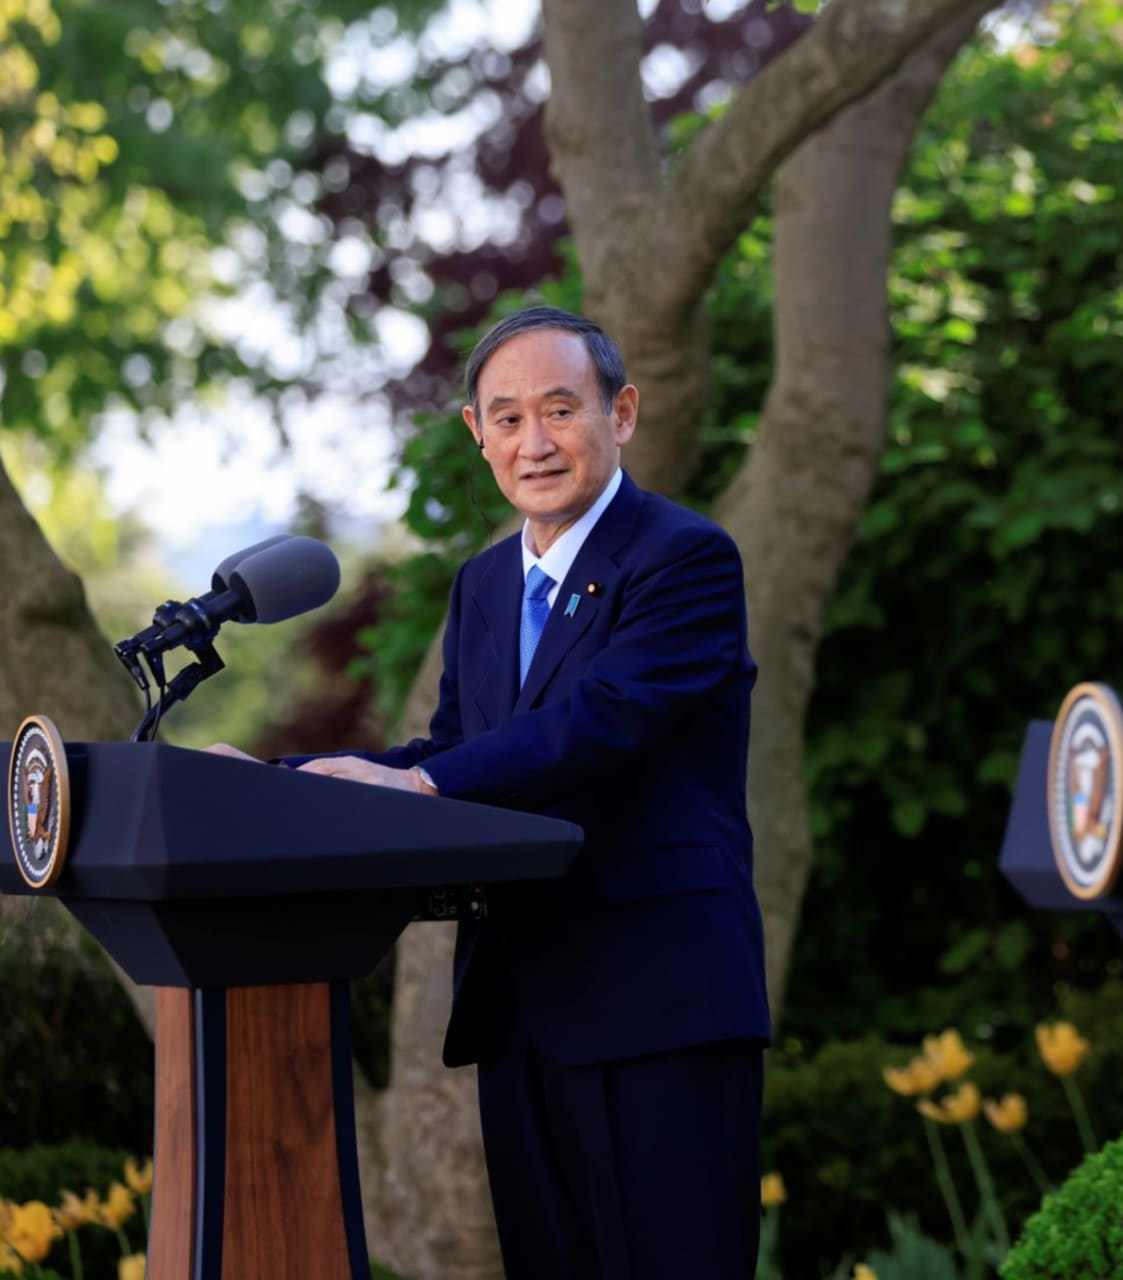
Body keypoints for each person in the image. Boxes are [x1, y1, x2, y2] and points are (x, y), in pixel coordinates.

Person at [226, 306, 770, 1277]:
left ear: (624, 412)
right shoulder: (483, 584)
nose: (535, 441)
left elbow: (595, 720)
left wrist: (426, 779)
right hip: (521, 1007)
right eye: (507, 418)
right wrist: (284, 783)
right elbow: (455, 746)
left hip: (659, 1003)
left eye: (560, 409)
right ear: (477, 435)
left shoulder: (683, 558)